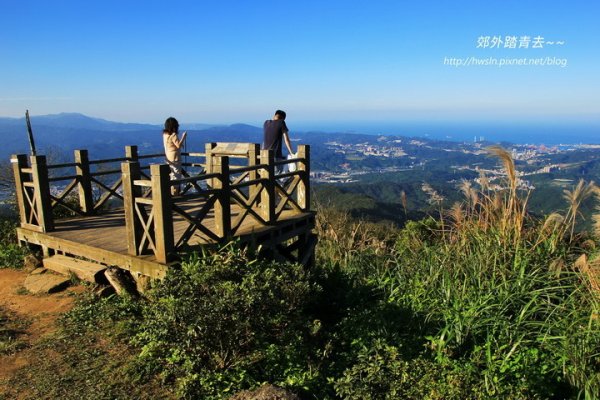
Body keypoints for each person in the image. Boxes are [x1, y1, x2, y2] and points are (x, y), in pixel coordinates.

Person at [263, 110, 294, 174]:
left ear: (274, 115)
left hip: (264, 155)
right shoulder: (281, 122)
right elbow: (286, 139)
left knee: (268, 176)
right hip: (275, 155)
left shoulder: (266, 123)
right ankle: (283, 182)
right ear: (283, 118)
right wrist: (291, 153)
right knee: (278, 175)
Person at [162, 117, 187, 195]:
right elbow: (178, 146)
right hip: (175, 158)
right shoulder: (173, 135)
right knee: (176, 177)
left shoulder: (165, 135)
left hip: (167, 158)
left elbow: (171, 145)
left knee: (170, 175)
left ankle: (170, 195)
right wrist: (183, 137)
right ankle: (174, 195)